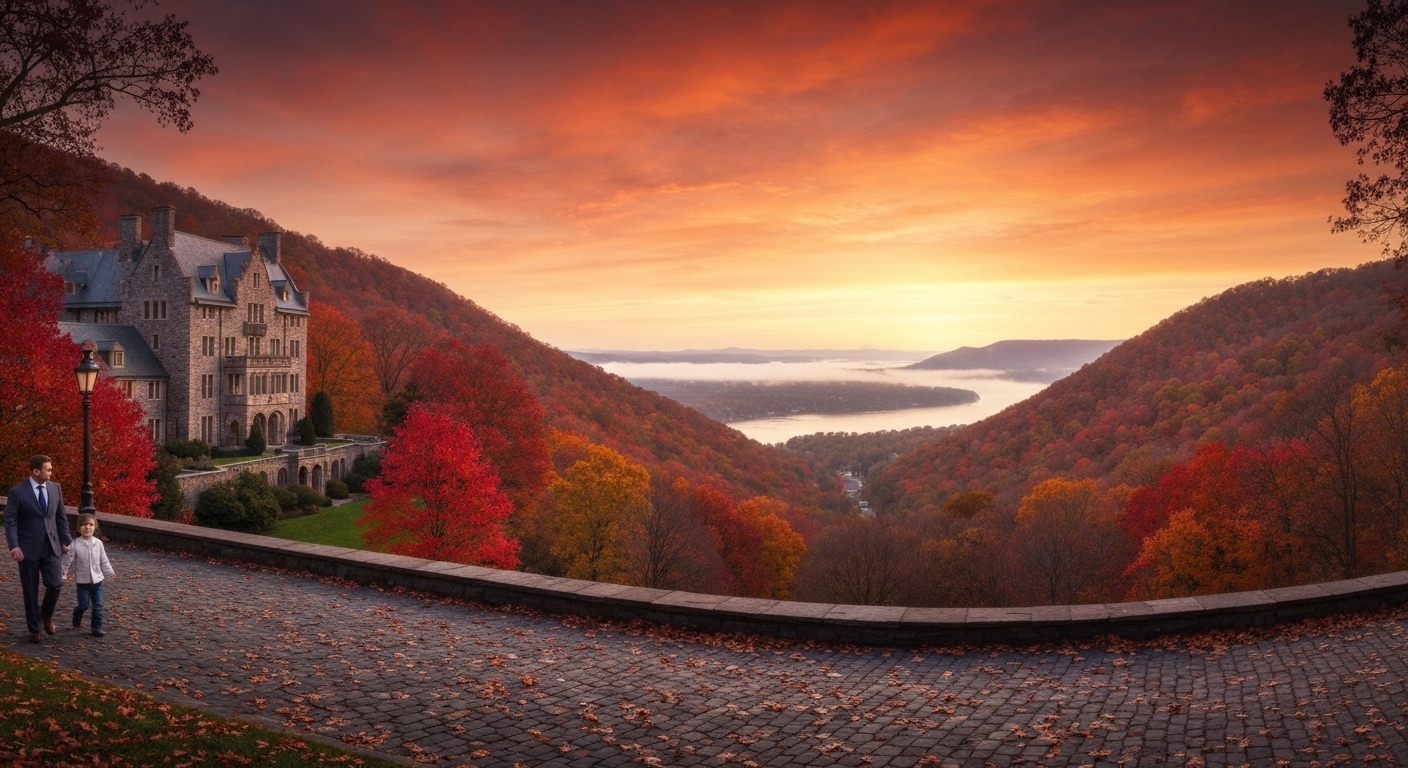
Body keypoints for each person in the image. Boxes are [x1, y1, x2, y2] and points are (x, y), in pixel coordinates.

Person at [5, 455, 71, 643]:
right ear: (36, 471)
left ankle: (46, 615)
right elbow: (10, 521)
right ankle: (34, 628)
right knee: (30, 590)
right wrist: (14, 546)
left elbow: (61, 516)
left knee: (55, 583)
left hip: (51, 546)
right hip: (27, 549)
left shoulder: (55, 488)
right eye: (48, 469)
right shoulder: (17, 492)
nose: (51, 472)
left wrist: (65, 540)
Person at [62, 513, 114, 637]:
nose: (87, 527)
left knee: (98, 605)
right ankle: (77, 614)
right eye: (84, 525)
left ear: (95, 526)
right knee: (84, 605)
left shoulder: (98, 543)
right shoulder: (75, 544)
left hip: (97, 580)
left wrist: (109, 572)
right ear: (79, 528)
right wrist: (62, 574)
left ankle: (96, 628)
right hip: (82, 581)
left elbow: (104, 560)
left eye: (90, 524)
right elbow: (66, 561)